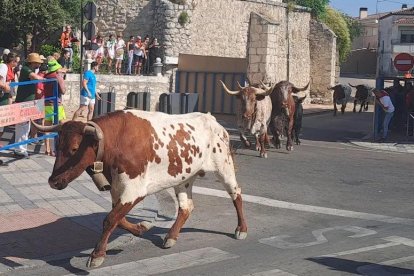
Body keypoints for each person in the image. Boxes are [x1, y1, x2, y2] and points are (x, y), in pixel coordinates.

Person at [14, 53, 44, 158]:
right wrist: (43, 79)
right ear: (32, 62)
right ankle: (19, 149)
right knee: (22, 126)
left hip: (27, 101)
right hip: (23, 101)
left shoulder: (28, 69)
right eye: (37, 63)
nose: (39, 65)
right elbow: (34, 77)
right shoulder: (26, 69)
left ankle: (22, 148)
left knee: (26, 126)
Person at [43, 59, 66, 156]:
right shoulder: (58, 77)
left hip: (47, 103)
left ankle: (47, 149)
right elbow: (63, 91)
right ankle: (60, 148)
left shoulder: (46, 76)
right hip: (57, 104)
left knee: (47, 128)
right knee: (63, 127)